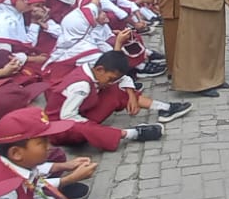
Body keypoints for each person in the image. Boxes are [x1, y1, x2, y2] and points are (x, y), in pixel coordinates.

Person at [45, 51, 173, 151]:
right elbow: (67, 116)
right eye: (110, 79)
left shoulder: (94, 69)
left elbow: (123, 79)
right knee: (85, 127)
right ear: (100, 69)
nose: (111, 82)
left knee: (115, 90)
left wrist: (131, 95)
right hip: (60, 129)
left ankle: (163, 107)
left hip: (82, 112)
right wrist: (92, 126)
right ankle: (133, 134)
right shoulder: (81, 85)